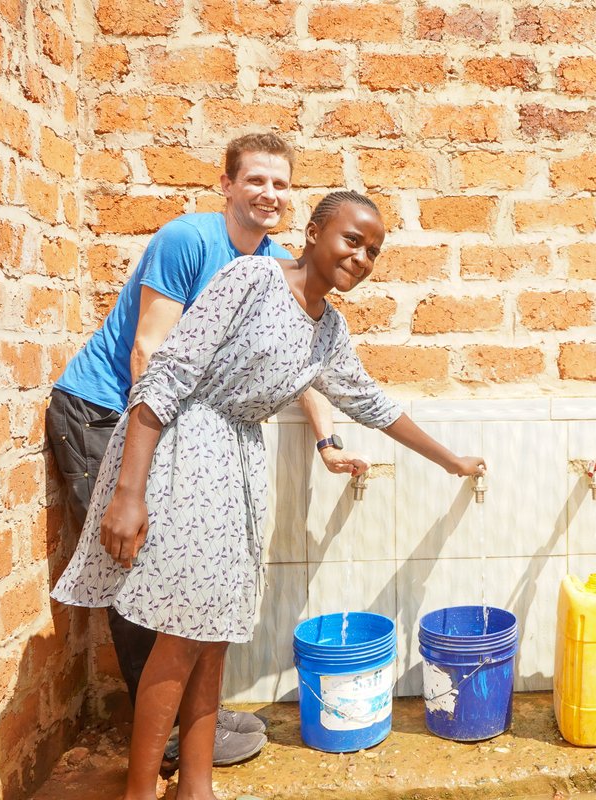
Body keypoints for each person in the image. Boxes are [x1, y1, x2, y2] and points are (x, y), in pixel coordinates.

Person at [52, 191, 486, 800]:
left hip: (238, 466)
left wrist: (451, 461)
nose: (362, 256)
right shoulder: (253, 277)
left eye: (374, 251)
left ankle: (196, 786)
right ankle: (139, 791)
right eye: (351, 239)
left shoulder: (327, 329)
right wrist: (128, 491)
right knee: (180, 635)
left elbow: (374, 404)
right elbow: (168, 373)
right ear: (312, 233)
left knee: (213, 634)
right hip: (185, 448)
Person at [46, 132, 368, 765]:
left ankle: (189, 730)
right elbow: (150, 352)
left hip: (171, 420)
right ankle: (163, 741)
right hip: (108, 408)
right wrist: (145, 469)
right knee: (140, 568)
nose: (268, 193)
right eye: (255, 180)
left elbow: (295, 361)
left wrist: (328, 441)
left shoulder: (272, 265)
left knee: (177, 580)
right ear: (227, 185)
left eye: (280, 184)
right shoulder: (188, 240)